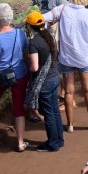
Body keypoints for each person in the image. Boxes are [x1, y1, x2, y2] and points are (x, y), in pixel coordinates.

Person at [43, 0, 88, 132]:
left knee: (69, 92)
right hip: (84, 58)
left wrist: (48, 32)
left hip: (66, 58)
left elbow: (42, 18)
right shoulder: (87, 13)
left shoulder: (61, 10)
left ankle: (70, 125)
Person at [0, 3, 32, 152]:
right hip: (19, 74)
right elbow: (26, 53)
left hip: (1, 76)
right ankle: (20, 142)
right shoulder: (20, 34)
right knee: (18, 107)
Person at [24, 10, 64, 151]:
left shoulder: (34, 43)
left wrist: (27, 66)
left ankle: (53, 144)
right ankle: (59, 140)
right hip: (54, 77)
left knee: (48, 113)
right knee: (54, 111)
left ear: (29, 26)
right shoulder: (49, 36)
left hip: (45, 82)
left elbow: (34, 67)